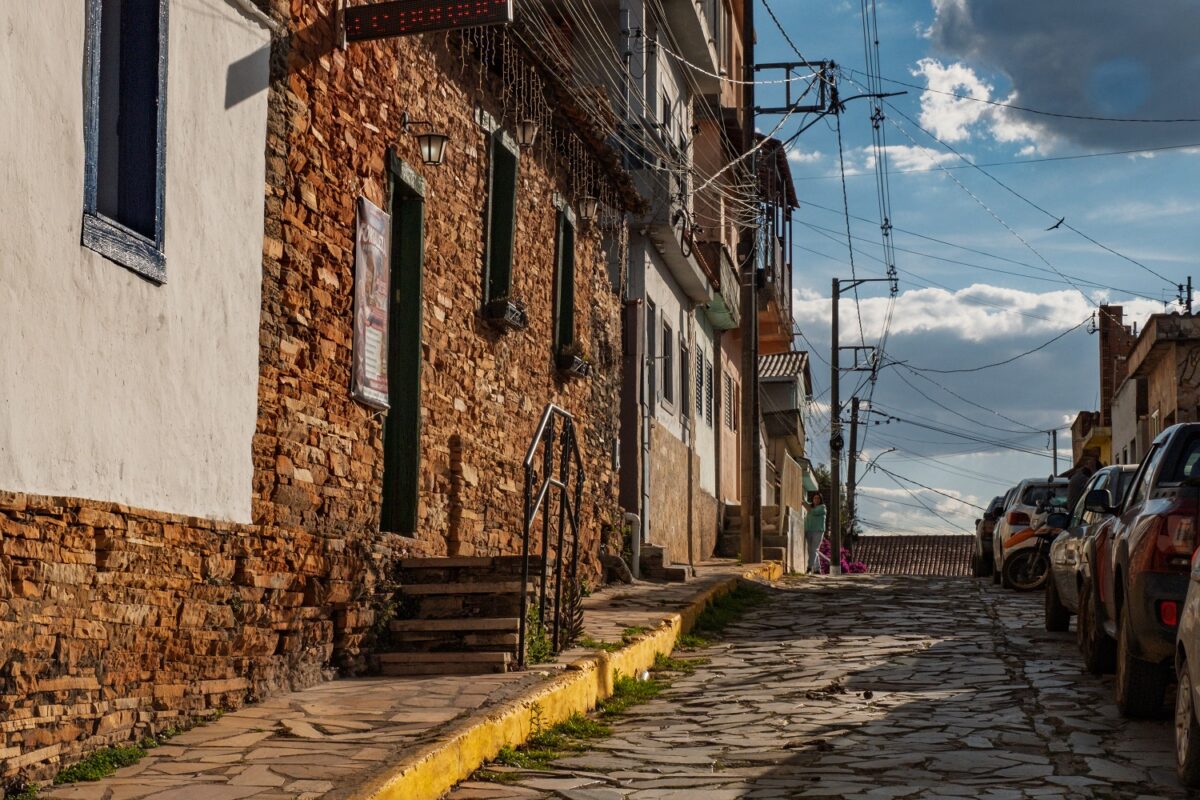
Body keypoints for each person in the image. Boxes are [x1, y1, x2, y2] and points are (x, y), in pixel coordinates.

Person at [804, 492, 827, 574]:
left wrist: (804, 504)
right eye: (815, 498)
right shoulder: (810, 506)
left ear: (820, 500)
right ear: (813, 499)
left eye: (818, 498)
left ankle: (809, 568)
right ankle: (817, 569)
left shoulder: (822, 507)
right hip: (808, 530)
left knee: (814, 549)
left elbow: (813, 512)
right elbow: (805, 503)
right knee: (811, 550)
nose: (816, 500)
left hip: (818, 531)